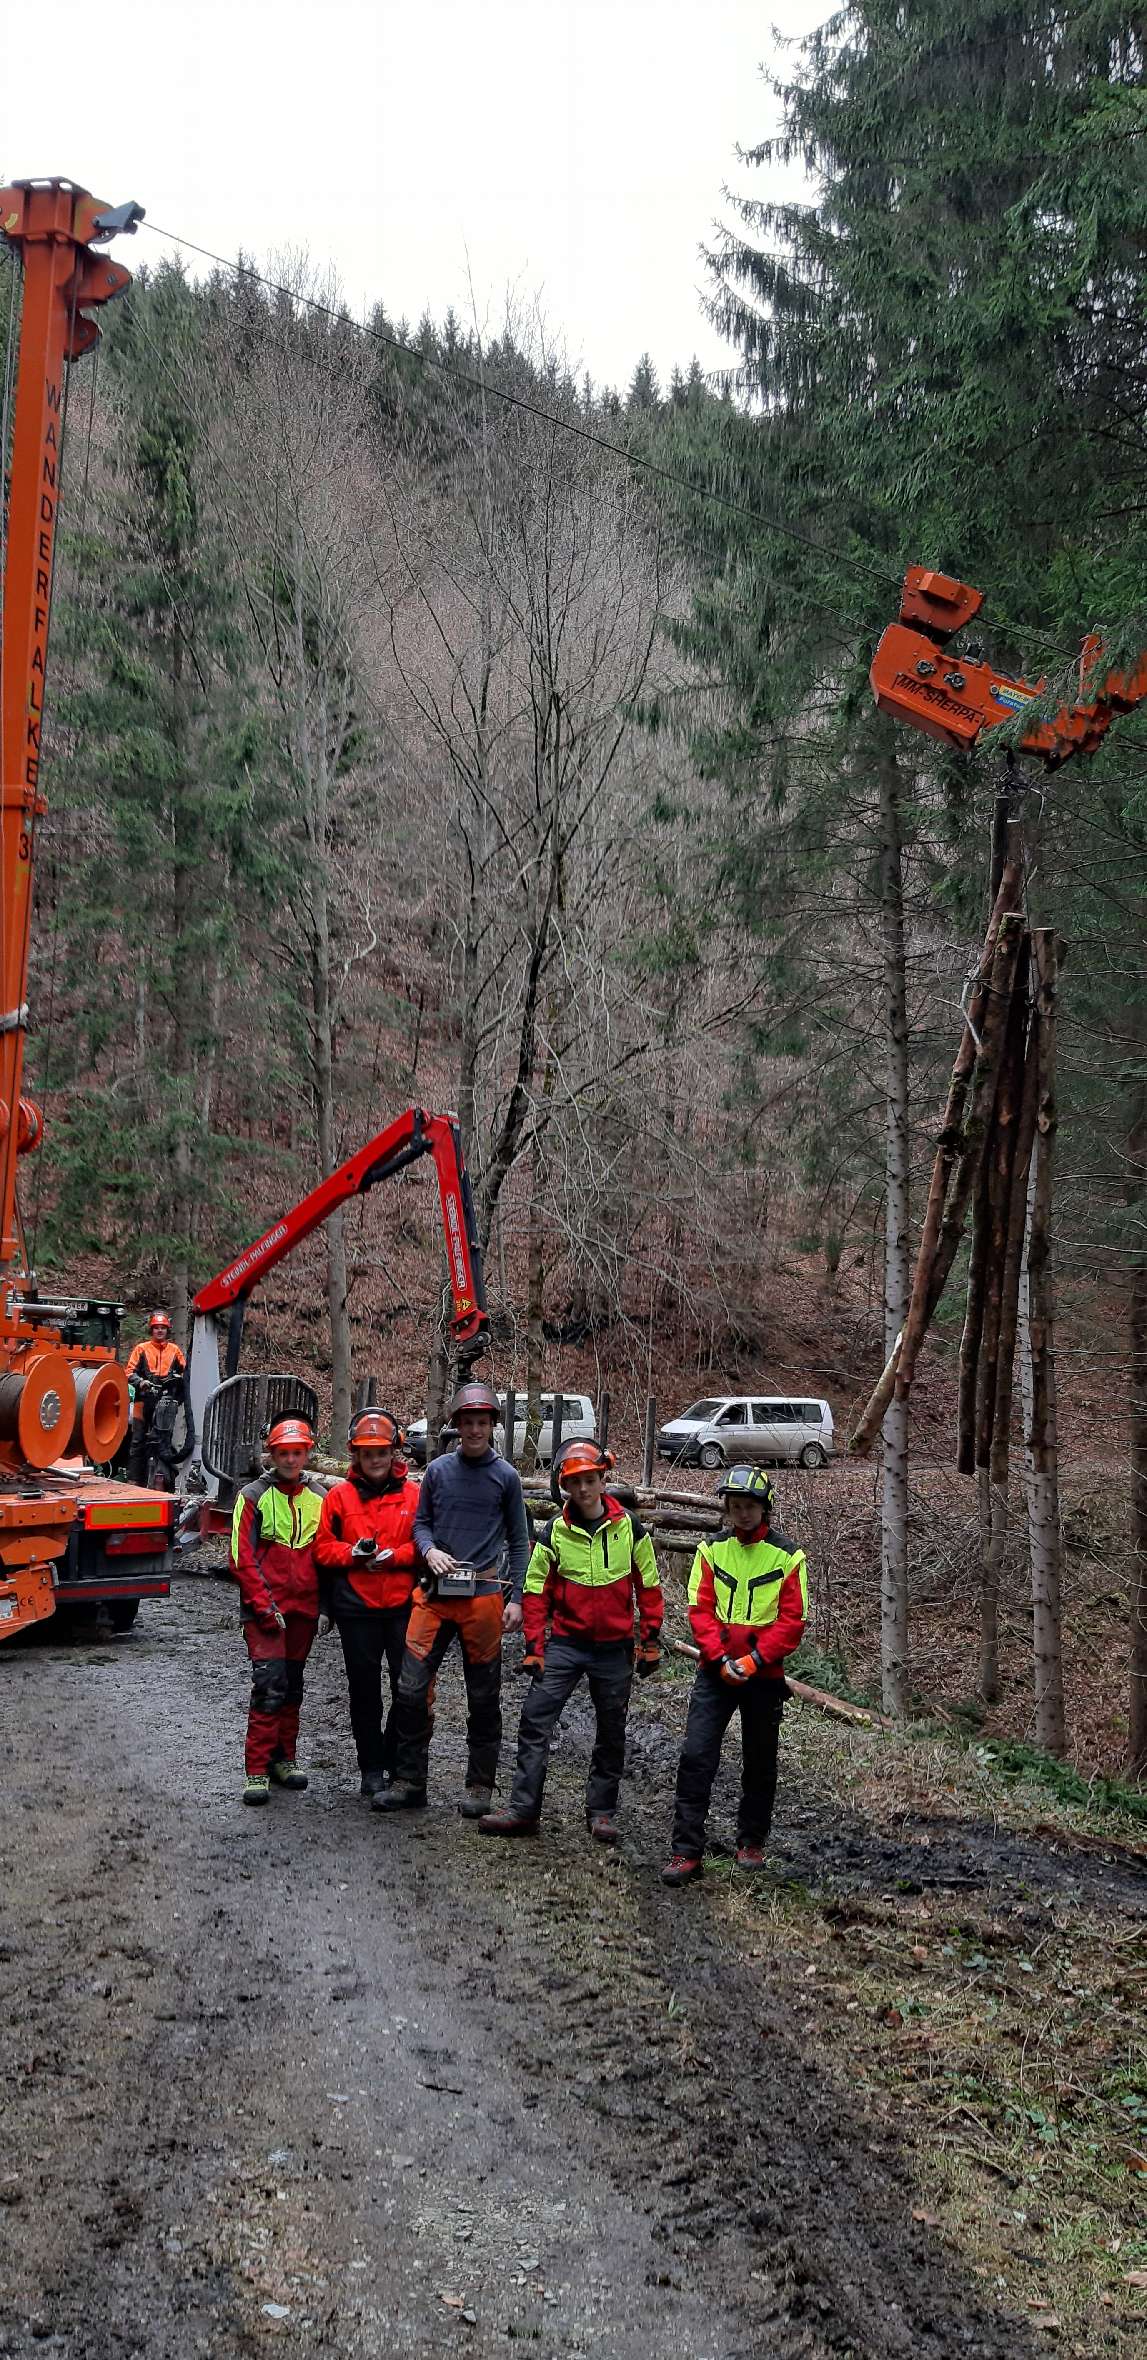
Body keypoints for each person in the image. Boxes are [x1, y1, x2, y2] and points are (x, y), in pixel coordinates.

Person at [480, 1438, 663, 1845]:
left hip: (614, 1646)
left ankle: (601, 1812)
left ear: (603, 1480)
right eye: (575, 1482)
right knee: (535, 1718)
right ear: (564, 1485)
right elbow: (535, 1591)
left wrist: (650, 1639)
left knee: (611, 1729)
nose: (583, 1489)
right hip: (566, 1643)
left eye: (590, 1480)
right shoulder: (555, 1532)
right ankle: (524, 1809)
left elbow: (649, 1587)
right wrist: (534, 1646)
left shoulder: (629, 1528)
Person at [375, 1380, 529, 1819]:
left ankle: (480, 1785)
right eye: (468, 1422)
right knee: (410, 1689)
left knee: (483, 1697)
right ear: (457, 1426)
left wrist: (516, 1598)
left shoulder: (506, 1477)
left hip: (483, 1597)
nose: (475, 1430)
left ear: (492, 1426)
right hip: (434, 1593)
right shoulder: (439, 1471)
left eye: (482, 1422)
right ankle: (409, 1780)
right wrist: (429, 1551)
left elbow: (520, 1541)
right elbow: (421, 1524)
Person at [662, 1464, 807, 1885]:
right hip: (715, 1672)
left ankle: (751, 1842)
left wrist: (755, 1660)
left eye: (750, 1506)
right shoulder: (711, 1550)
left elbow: (793, 1621)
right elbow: (699, 1610)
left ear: (765, 1508)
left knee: (760, 1761)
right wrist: (720, 1657)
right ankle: (686, 1850)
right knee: (696, 1756)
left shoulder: (789, 1556)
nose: (743, 1514)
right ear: (726, 1509)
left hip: (763, 1676)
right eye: (736, 1506)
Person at [315, 1410, 421, 1801]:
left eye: (381, 1452)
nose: (375, 1459)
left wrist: (396, 1557)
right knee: (364, 1691)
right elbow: (322, 1549)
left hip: (402, 1604)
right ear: (356, 1455)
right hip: (356, 1605)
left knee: (407, 1689)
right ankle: (371, 1767)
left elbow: (425, 1545)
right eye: (367, 1453)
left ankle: (394, 1757)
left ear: (393, 1452)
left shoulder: (414, 1495)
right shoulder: (338, 1497)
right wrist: (353, 1555)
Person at [231, 1416, 324, 1807]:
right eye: (283, 1453)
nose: (290, 1460)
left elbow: (326, 1556)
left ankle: (284, 1758)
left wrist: (326, 1607)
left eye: (297, 1453)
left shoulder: (320, 1496)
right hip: (265, 1610)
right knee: (269, 1686)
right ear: (271, 1454)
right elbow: (241, 1558)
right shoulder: (253, 1496)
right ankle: (256, 1769)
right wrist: (263, 1606)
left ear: (307, 1454)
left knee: (293, 1685)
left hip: (304, 1610)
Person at [124, 1311, 187, 1484]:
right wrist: (141, 1382)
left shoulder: (174, 1351)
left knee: (164, 1440)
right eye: (156, 1328)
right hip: (143, 1401)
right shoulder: (142, 1349)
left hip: (165, 1402)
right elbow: (129, 1372)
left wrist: (177, 1390)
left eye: (163, 1328)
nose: (160, 1331)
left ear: (167, 1330)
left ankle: (162, 1480)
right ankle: (134, 1480)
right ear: (151, 1330)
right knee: (138, 1440)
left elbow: (185, 1372)